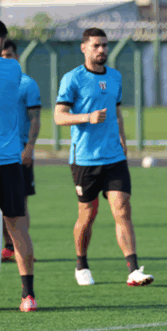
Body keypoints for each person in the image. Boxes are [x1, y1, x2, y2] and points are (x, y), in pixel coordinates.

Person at [54, 28, 154, 287]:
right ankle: (81, 263)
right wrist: (87, 117)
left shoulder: (115, 77)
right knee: (87, 216)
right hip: (85, 160)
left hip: (114, 157)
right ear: (84, 47)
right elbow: (58, 116)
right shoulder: (72, 79)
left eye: (105, 46)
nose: (102, 51)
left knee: (122, 209)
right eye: (96, 45)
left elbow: (116, 112)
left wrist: (123, 139)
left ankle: (133, 269)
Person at [0, 19, 38, 311]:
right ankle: (27, 295)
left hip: (4, 160)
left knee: (17, 226)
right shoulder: (13, 69)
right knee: (18, 225)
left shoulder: (8, 68)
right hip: (9, 161)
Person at [0, 40, 41, 263]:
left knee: (19, 204)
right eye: (2, 54)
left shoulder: (27, 84)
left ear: (17, 57)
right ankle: (7, 247)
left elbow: (35, 120)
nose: (6, 59)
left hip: (19, 154)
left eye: (10, 55)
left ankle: (20, 247)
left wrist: (30, 148)